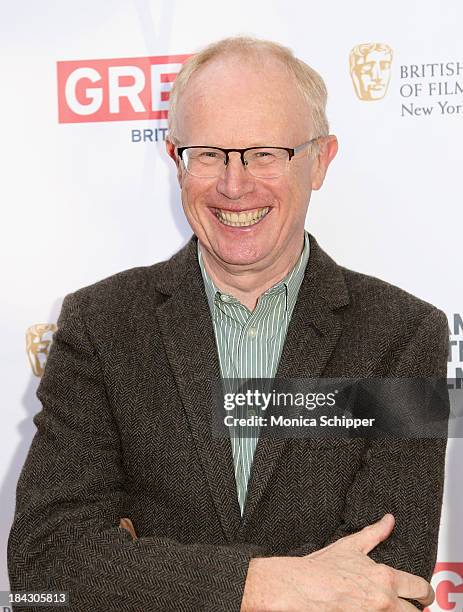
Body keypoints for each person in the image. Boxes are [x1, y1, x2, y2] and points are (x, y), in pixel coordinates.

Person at [8, 37, 448, 611]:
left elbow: (390, 586)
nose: (235, 185)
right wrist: (259, 585)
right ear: (176, 161)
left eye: (265, 153)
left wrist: (146, 573)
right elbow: (46, 563)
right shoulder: (102, 326)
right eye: (209, 154)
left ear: (320, 160)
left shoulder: (405, 336)